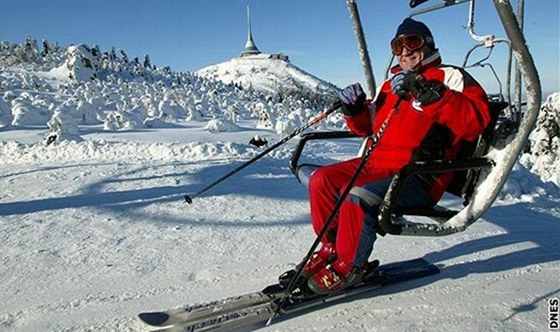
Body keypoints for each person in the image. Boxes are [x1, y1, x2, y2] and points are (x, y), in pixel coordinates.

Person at [298, 18, 492, 295]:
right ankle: (332, 248)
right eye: (397, 45)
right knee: (322, 180)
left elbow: (476, 123)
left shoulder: (450, 77)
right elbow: (368, 128)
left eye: (412, 42)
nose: (404, 51)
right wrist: (355, 110)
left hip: (418, 175)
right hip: (378, 164)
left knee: (358, 195)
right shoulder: (390, 86)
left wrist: (431, 95)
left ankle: (350, 266)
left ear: (428, 44)